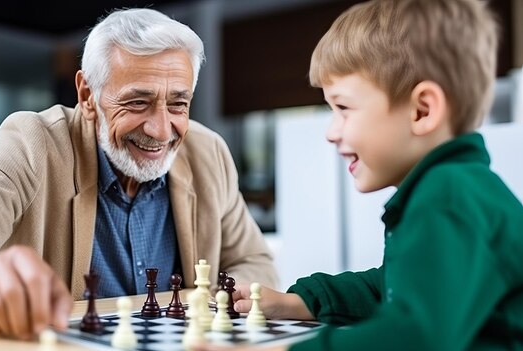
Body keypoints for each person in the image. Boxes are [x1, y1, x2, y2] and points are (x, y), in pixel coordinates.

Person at [0, 8, 278, 340]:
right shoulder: (35, 143)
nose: (161, 130)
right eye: (138, 102)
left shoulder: (208, 152)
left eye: (178, 104)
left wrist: (222, 301)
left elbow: (255, 263)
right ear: (87, 95)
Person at [194, 0, 523, 350]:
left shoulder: (448, 197)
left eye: (344, 108)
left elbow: (412, 337)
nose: (331, 132)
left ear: (421, 110)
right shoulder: (457, 189)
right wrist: (299, 302)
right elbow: (391, 287)